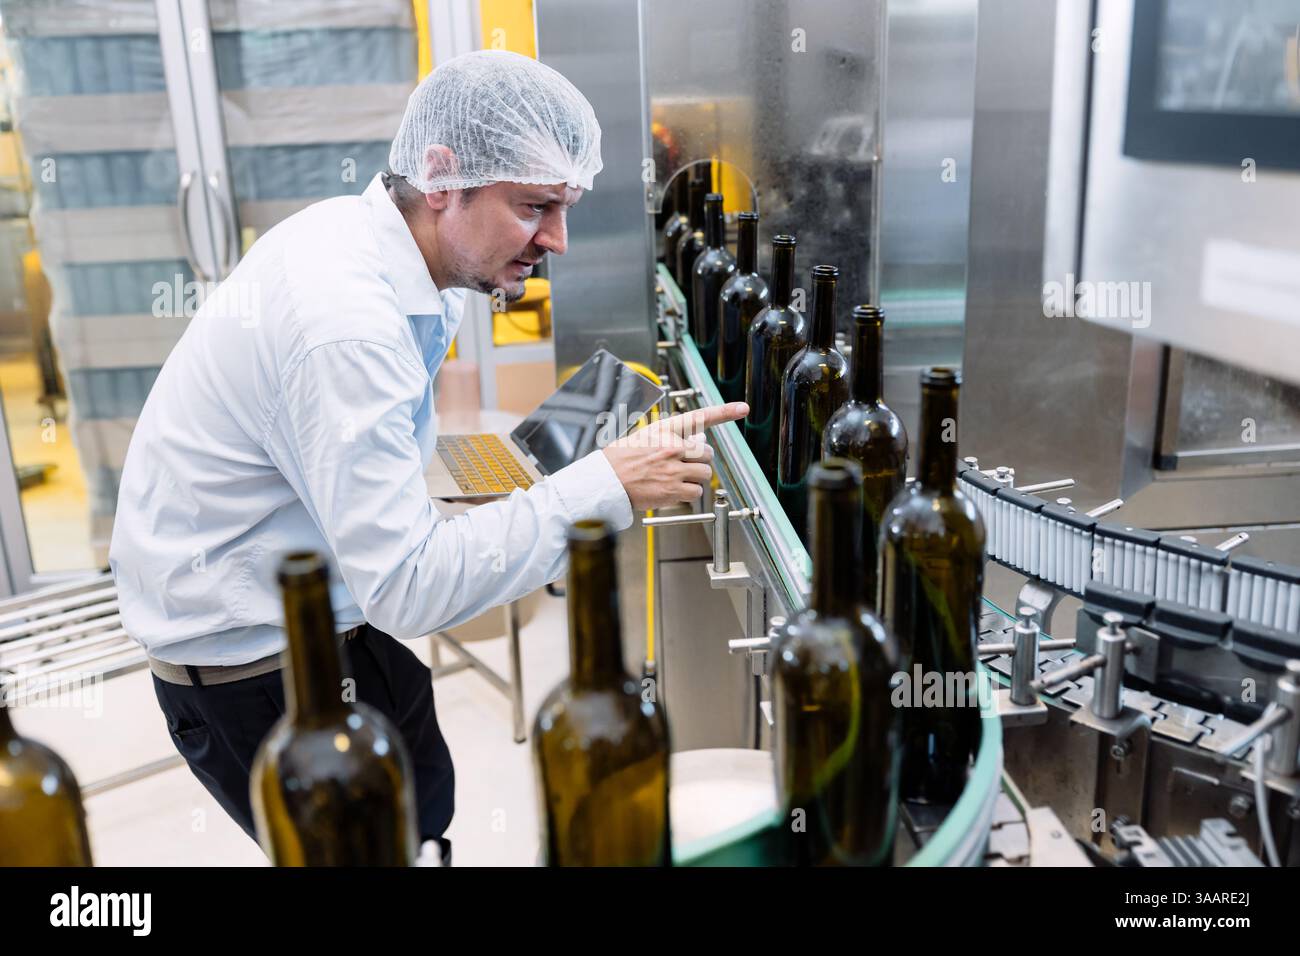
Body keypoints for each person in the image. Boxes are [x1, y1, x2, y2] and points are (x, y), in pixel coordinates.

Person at [108, 49, 746, 864]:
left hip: (328, 613)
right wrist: (609, 485)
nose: (556, 239)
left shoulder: (400, 256)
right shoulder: (345, 321)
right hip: (251, 666)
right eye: (534, 206)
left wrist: (524, 486)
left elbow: (351, 458)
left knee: (427, 803)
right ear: (442, 176)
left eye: (565, 207)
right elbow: (407, 585)